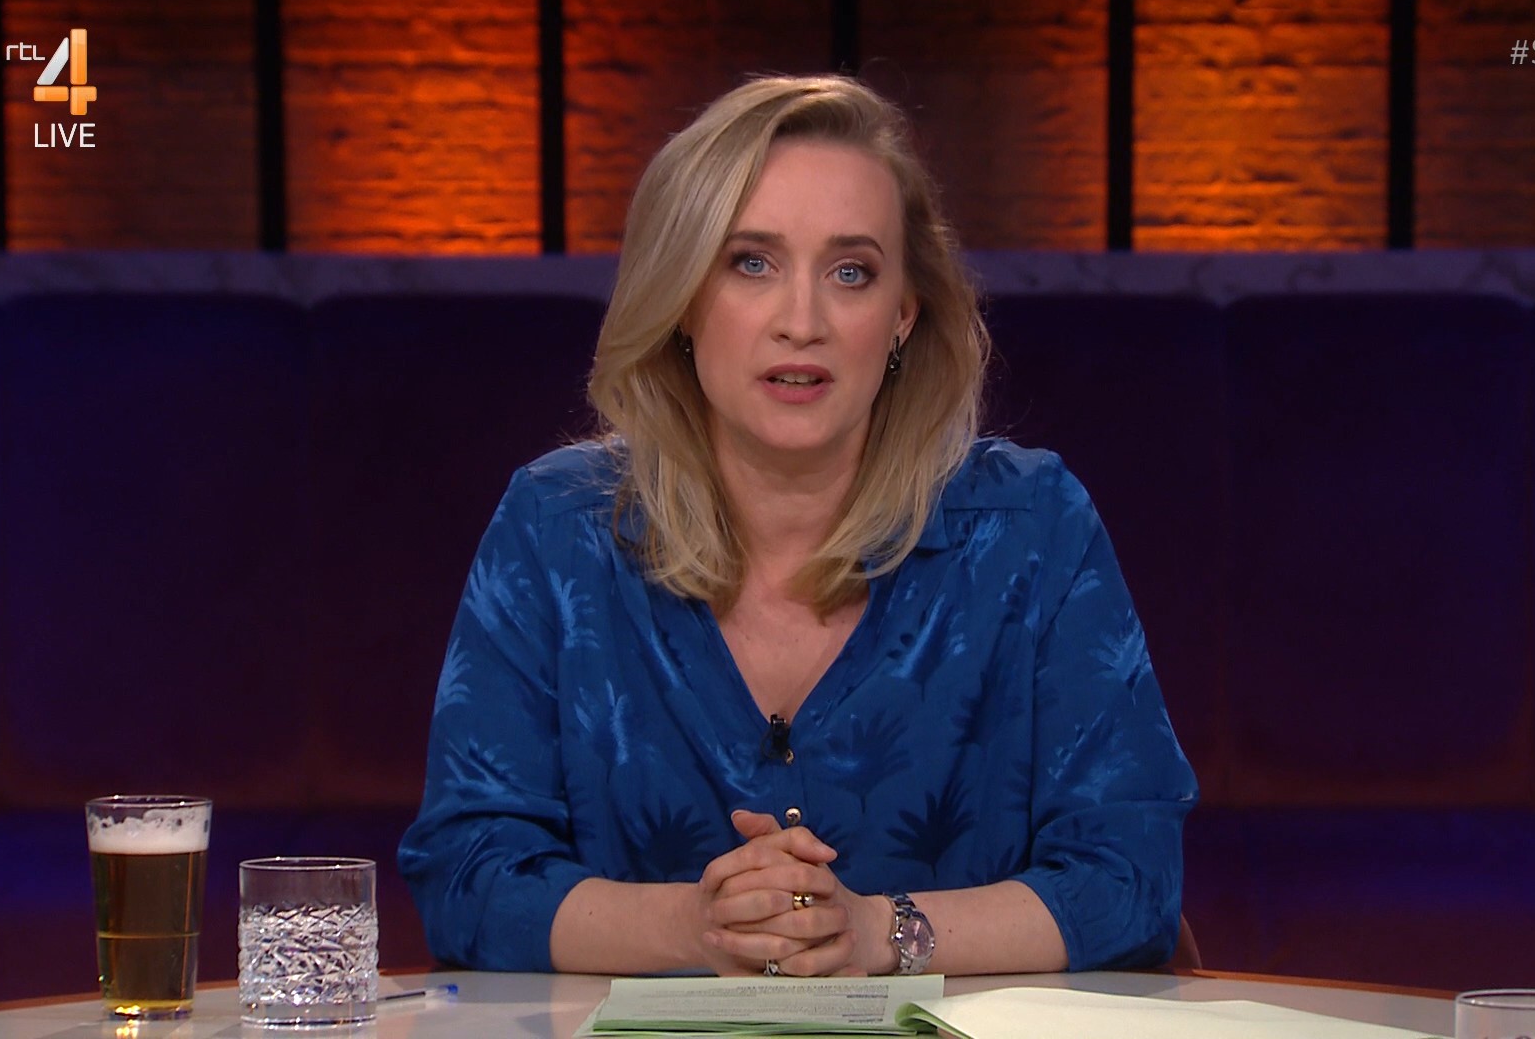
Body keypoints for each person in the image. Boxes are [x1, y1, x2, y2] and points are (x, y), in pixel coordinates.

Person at [398, 73, 1197, 979]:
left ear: (902, 316)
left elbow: (1131, 879)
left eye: (851, 273)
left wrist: (880, 933)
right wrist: (699, 927)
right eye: (752, 263)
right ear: (683, 298)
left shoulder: (1032, 529)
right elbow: (467, 877)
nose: (802, 322)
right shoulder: (557, 532)